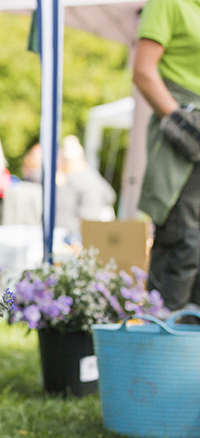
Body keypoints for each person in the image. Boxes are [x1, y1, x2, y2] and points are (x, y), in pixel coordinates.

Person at [133, 0, 200, 311]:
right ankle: (163, 346)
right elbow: (144, 72)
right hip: (184, 135)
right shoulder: (170, 3)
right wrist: (184, 127)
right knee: (184, 242)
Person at [56, 134, 116, 240]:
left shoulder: (71, 179)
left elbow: (64, 210)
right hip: (96, 228)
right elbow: (110, 196)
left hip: (78, 231)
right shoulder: (93, 174)